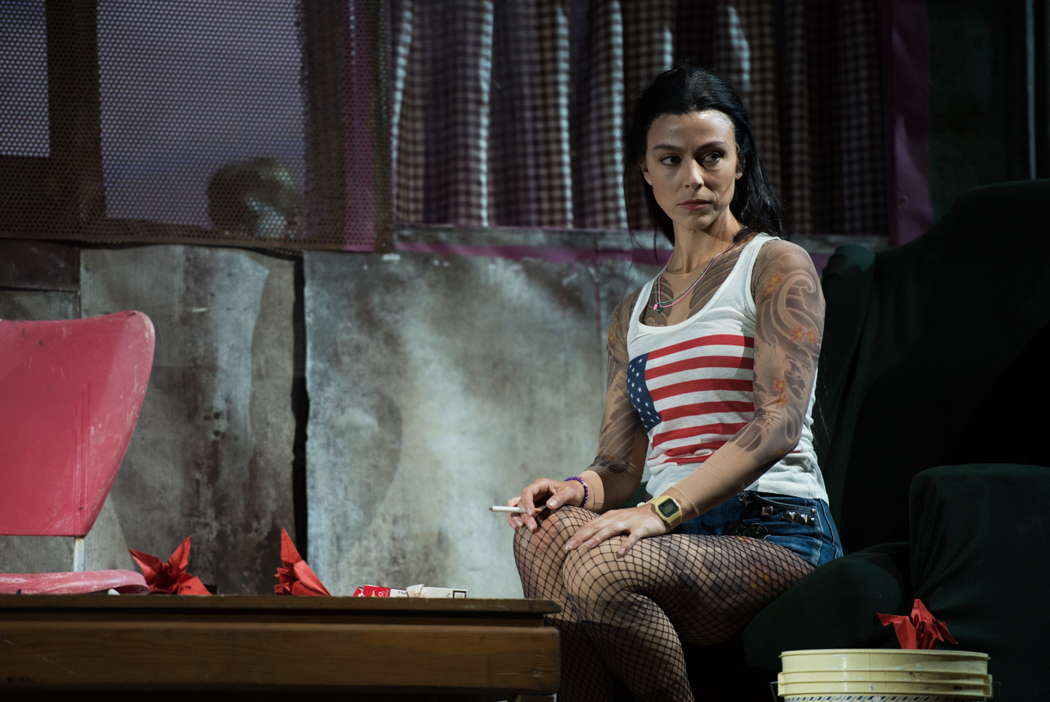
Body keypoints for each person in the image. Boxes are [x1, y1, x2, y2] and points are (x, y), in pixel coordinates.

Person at [506, 64, 843, 701]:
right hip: (675, 534)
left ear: (739, 162)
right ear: (645, 170)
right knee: (544, 536)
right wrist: (574, 488)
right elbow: (619, 466)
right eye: (671, 159)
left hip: (775, 528)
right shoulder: (630, 313)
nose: (694, 178)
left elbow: (777, 424)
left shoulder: (773, 264)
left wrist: (660, 512)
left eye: (712, 156)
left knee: (600, 568)